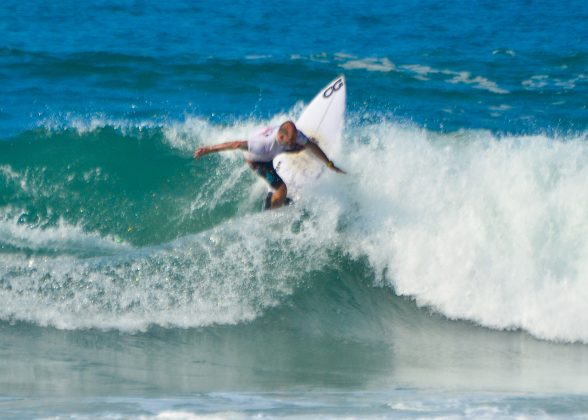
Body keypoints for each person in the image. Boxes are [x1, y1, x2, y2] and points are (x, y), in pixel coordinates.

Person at [194, 120, 345, 209]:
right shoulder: (263, 145)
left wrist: (329, 164)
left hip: (273, 150)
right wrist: (208, 149)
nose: (294, 142)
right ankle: (271, 214)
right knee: (281, 189)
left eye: (294, 139)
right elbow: (236, 144)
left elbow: (311, 146)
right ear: (280, 136)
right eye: (290, 142)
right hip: (258, 161)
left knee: (304, 144)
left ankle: (276, 194)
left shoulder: (294, 135)